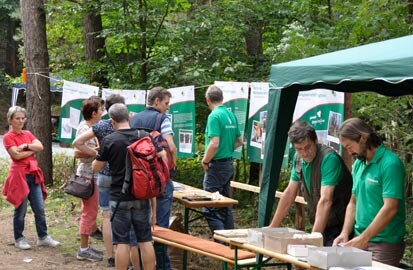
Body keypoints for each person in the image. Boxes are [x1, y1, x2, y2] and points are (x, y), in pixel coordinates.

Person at [73, 94, 140, 267]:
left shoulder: (101, 126)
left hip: (103, 174)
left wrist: (100, 156)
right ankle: (128, 258)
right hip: (125, 176)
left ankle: (111, 256)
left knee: (106, 215)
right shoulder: (132, 126)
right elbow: (77, 148)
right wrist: (96, 153)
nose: (102, 112)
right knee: (126, 216)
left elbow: (78, 143)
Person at [333, 118, 405, 266]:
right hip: (358, 238)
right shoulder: (359, 163)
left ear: (363, 138)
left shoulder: (390, 164)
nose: (348, 151)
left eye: (349, 146)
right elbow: (353, 201)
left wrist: (364, 238)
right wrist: (345, 232)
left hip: (384, 243)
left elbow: (390, 208)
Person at [92, 103, 156, 270]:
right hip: (141, 195)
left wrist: (98, 153)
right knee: (145, 240)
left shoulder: (110, 140)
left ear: (112, 121)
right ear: (129, 117)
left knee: (122, 241)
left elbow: (96, 168)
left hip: (119, 197)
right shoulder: (144, 136)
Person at [268, 120, 352, 246]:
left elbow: (326, 200)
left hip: (340, 228)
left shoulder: (329, 159)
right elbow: (290, 192)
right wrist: (272, 228)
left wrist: (311, 240)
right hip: (321, 225)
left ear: (315, 141)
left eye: (307, 147)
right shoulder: (298, 159)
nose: (304, 152)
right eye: (299, 149)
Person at [130, 86, 177, 270]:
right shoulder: (162, 118)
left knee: (139, 223)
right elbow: (171, 147)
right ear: (156, 101)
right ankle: (162, 266)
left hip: (139, 180)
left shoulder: (135, 119)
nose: (167, 107)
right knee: (160, 226)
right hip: (159, 179)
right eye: (166, 103)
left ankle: (138, 264)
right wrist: (172, 167)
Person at [2, 106, 60, 250]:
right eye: (17, 118)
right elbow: (16, 155)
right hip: (19, 176)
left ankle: (43, 237)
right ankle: (19, 238)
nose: (21, 121)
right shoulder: (8, 137)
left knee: (39, 208)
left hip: (33, 175)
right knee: (20, 210)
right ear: (10, 120)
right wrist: (31, 150)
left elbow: (40, 146)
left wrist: (26, 146)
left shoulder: (27, 133)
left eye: (23, 118)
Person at [201, 85, 242, 233]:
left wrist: (205, 160)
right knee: (225, 204)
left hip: (216, 166)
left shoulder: (214, 116)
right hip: (228, 164)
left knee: (210, 206)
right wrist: (227, 150)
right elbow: (239, 140)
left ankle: (220, 241)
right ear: (221, 98)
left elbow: (214, 143)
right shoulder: (231, 115)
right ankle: (230, 239)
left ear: (208, 99)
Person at [74, 97, 104, 261]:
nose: (103, 112)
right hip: (88, 176)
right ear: (93, 113)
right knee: (89, 212)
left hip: (93, 175)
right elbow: (77, 152)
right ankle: (83, 250)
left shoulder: (93, 127)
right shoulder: (84, 128)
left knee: (90, 211)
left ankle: (85, 246)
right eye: (100, 110)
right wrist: (97, 151)